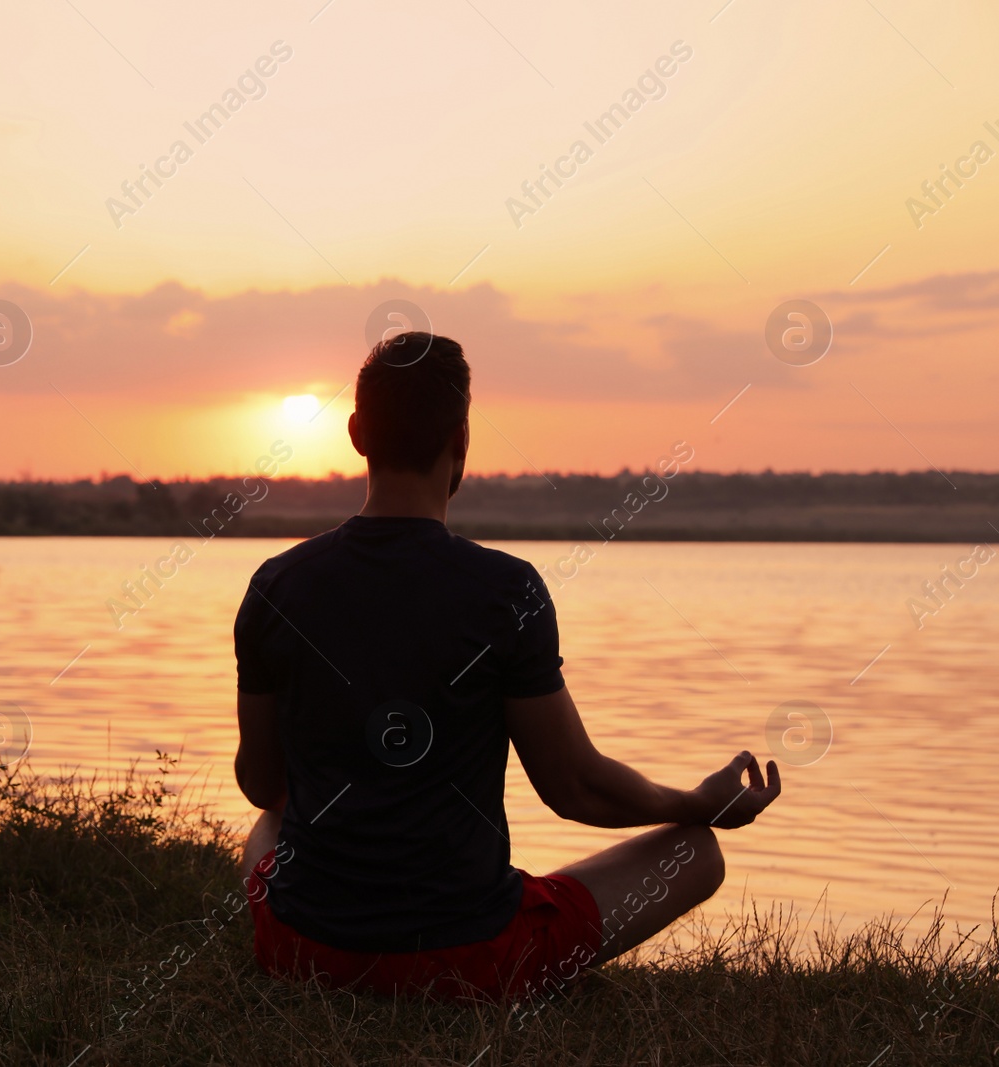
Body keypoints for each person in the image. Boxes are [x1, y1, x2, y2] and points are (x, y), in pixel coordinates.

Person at [231, 331, 781, 1003]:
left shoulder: (275, 586)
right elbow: (575, 787)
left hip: (302, 950)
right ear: (461, 438)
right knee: (696, 851)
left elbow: (262, 783)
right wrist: (700, 803)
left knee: (267, 826)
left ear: (356, 433)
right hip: (469, 960)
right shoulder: (504, 591)